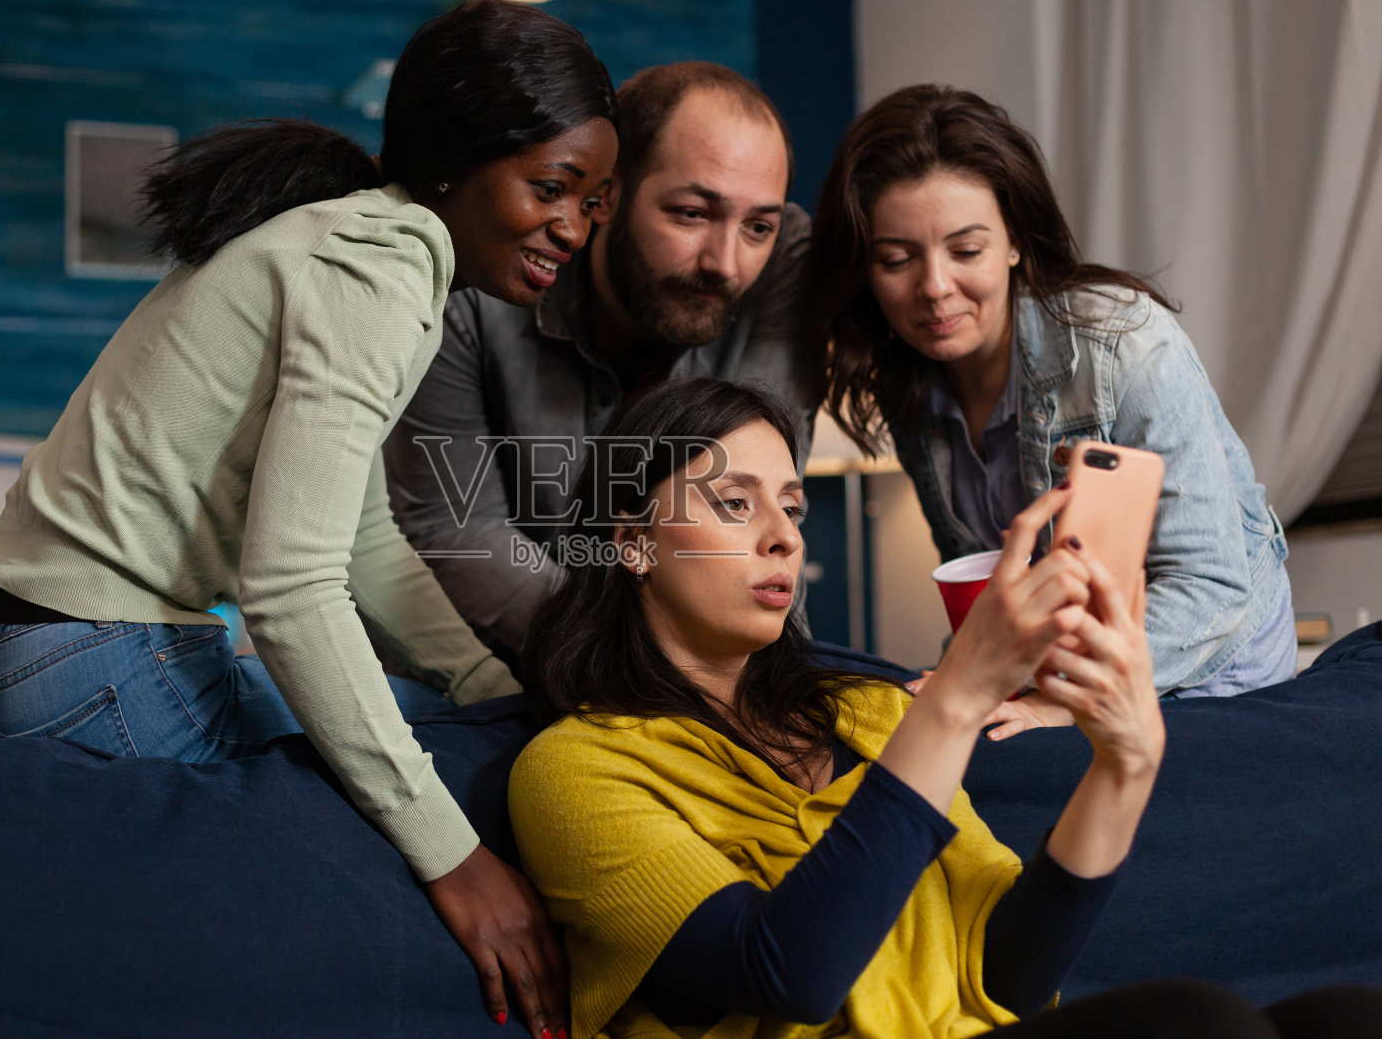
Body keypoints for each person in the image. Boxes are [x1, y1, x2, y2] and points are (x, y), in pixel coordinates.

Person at [0, 0, 618, 1038]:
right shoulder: (379, 267)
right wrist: (458, 861)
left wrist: (483, 682)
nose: (573, 226)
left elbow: (361, 538)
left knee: (454, 728)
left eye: (595, 201)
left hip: (1, 650)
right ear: (452, 164)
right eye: (551, 187)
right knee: (439, 816)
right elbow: (291, 591)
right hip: (96, 667)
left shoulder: (347, 240)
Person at [508, 377, 1382, 1039]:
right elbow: (789, 972)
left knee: (1348, 1016)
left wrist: (1127, 762)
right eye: (735, 504)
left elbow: (1006, 968)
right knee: (1199, 1023)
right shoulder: (576, 769)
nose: (782, 533)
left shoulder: (863, 712)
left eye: (793, 504)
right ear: (630, 542)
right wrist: (959, 691)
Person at [810, 84, 1295, 736]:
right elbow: (989, 589)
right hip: (1063, 678)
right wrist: (959, 680)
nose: (933, 287)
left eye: (966, 250)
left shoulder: (1122, 345)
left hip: (1213, 671)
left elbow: (1211, 588)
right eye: (896, 259)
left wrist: (1052, 694)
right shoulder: (911, 390)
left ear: (1013, 241)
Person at [383, 61, 820, 657]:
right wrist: (637, 658)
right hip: (512, 671)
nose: (726, 262)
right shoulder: (477, 285)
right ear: (605, 196)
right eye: (691, 214)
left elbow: (759, 510)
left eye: (757, 227)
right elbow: (458, 530)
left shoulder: (786, 263)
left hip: (719, 667)